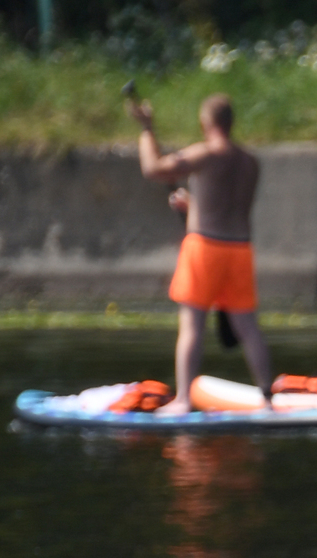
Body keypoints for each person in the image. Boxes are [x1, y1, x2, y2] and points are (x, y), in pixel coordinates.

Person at [128, 91, 273, 410]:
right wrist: (193, 206)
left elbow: (153, 169)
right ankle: (266, 396)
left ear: (206, 122)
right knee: (248, 327)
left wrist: (146, 129)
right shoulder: (250, 162)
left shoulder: (205, 154)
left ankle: (182, 400)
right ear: (231, 122)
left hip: (205, 247)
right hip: (239, 249)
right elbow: (229, 206)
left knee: (192, 324)